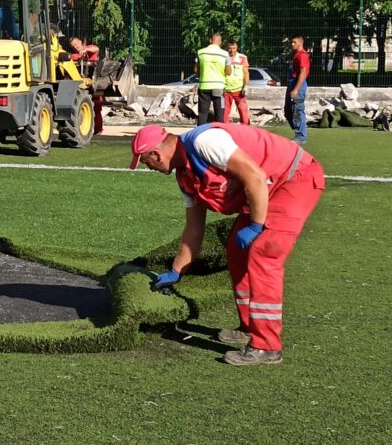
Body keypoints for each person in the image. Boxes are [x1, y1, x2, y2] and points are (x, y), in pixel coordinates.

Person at [129, 122, 325, 366]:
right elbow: (194, 227)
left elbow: (255, 176)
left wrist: (255, 226)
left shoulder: (204, 142)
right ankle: (249, 327)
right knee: (236, 249)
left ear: (156, 154)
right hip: (267, 187)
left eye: (146, 162)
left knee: (265, 251)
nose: (149, 168)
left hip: (294, 179)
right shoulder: (185, 177)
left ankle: (267, 346)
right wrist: (177, 270)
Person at [195, 33, 231, 125]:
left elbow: (196, 70)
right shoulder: (225, 54)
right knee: (219, 113)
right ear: (220, 42)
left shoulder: (201, 52)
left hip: (204, 86)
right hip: (219, 87)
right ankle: (219, 133)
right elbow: (228, 72)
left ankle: (200, 134)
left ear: (210, 40)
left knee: (203, 113)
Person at [69, 37, 103, 135]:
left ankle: (98, 130)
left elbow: (96, 49)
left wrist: (86, 49)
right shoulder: (76, 55)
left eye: (76, 44)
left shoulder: (89, 49)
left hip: (94, 82)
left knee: (96, 106)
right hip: (82, 85)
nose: (76, 47)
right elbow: (71, 57)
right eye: (73, 46)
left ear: (80, 42)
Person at [285, 35, 309, 145]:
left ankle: (301, 136)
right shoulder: (296, 55)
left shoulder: (302, 56)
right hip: (292, 83)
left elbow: (303, 73)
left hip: (297, 84)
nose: (292, 44)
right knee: (288, 110)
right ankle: (297, 132)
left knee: (298, 110)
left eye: (294, 42)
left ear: (300, 43)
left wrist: (296, 89)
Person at [224, 40, 250, 125]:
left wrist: (245, 86)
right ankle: (225, 129)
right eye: (230, 48)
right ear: (226, 48)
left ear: (237, 47)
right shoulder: (223, 57)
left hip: (239, 89)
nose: (232, 50)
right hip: (225, 89)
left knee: (243, 111)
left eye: (234, 48)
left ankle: (246, 129)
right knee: (224, 112)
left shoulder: (242, 58)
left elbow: (246, 72)